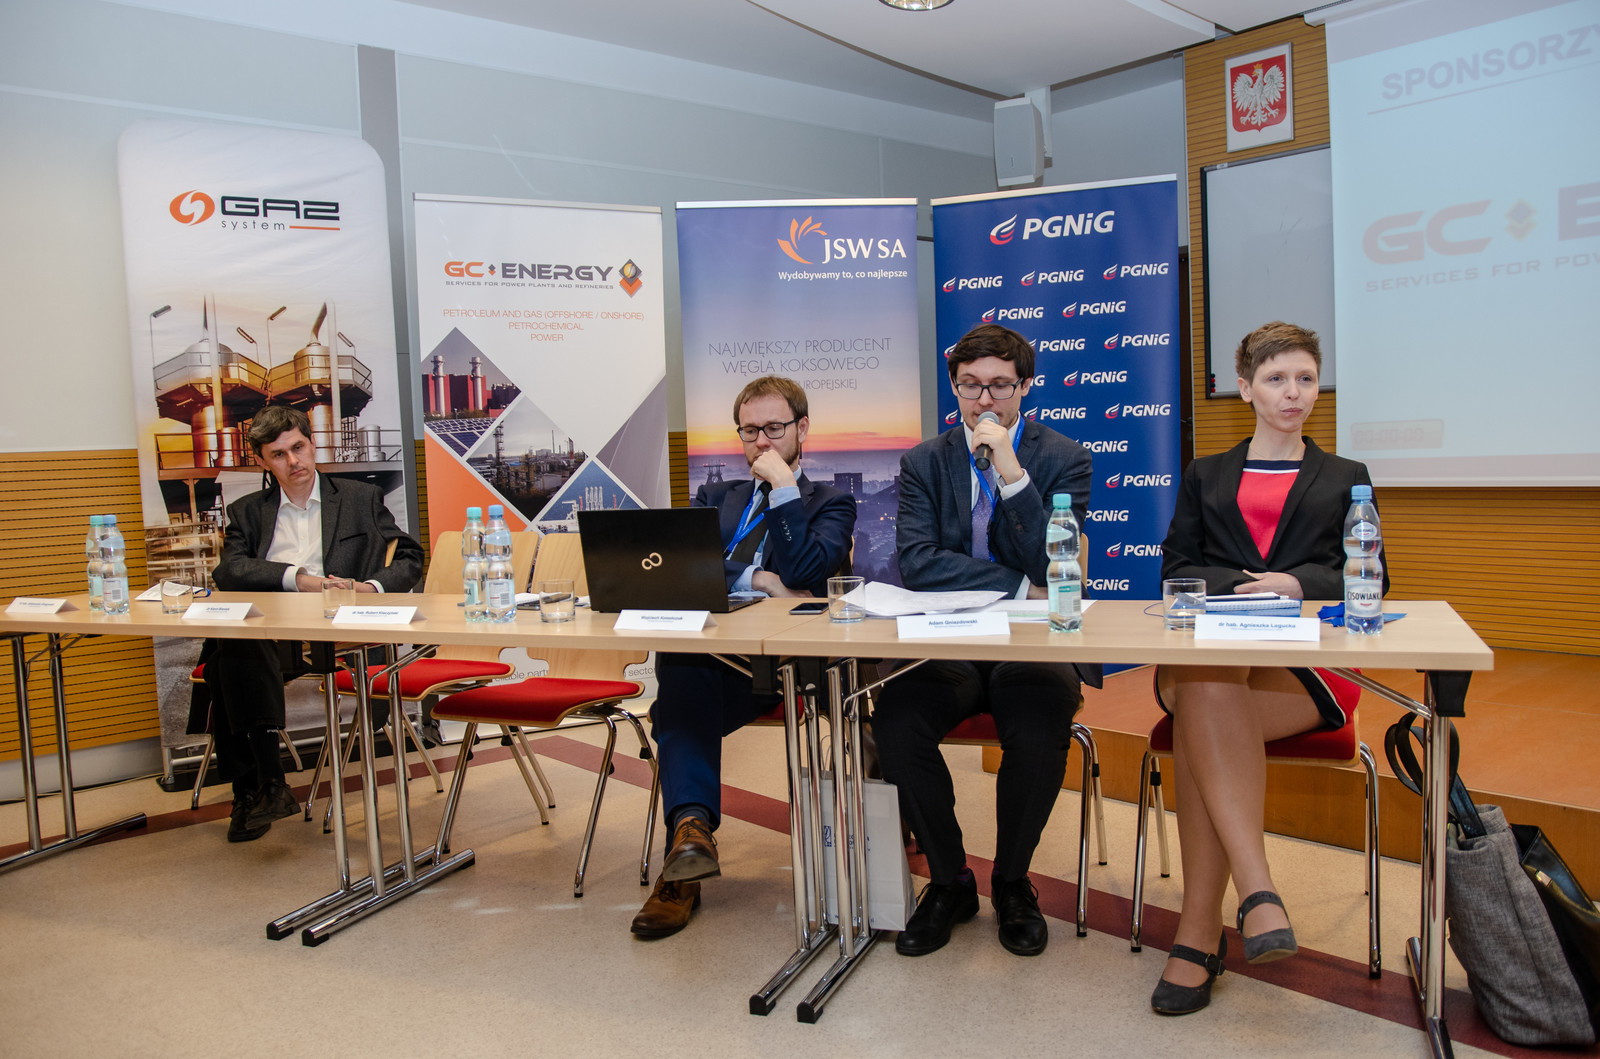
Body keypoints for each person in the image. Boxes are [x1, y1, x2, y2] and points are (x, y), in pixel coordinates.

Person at [1149, 321, 1388, 1015]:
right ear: (1245, 387)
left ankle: (1201, 934)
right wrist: (1244, 587)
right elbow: (1177, 568)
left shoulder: (1346, 477)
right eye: (1277, 378)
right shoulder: (1207, 473)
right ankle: (1258, 891)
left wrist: (1296, 583)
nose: (1293, 392)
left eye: (1306, 378)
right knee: (1209, 682)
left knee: (1202, 710)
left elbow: (1371, 575)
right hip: (1213, 650)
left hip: (1302, 665)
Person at [872, 323, 1100, 959]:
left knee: (1039, 722)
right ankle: (949, 881)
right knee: (896, 720)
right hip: (949, 641)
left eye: (1000, 385)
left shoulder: (1064, 458)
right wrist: (1018, 585)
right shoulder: (924, 461)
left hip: (1030, 646)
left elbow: (1056, 561)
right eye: (971, 385)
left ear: (1025, 387)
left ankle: (1012, 881)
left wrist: (1012, 473)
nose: (985, 400)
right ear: (954, 387)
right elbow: (918, 562)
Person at [631, 376, 857, 939]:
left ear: (802, 429)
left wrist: (782, 488)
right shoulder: (715, 497)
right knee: (681, 675)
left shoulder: (832, 502)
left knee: (677, 705)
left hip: (784, 667)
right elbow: (685, 562)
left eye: (774, 429)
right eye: (749, 430)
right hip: (714, 657)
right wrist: (760, 578)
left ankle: (685, 851)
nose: (761, 441)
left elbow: (807, 572)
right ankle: (689, 841)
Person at [190, 405, 423, 844]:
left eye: (298, 447)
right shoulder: (247, 511)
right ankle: (268, 784)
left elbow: (410, 558)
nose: (293, 461)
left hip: (338, 633)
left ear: (312, 444)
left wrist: (370, 587)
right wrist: (297, 579)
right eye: (278, 454)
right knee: (236, 646)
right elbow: (229, 570)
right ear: (262, 461)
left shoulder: (359, 498)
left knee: (227, 661)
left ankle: (255, 789)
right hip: (274, 638)